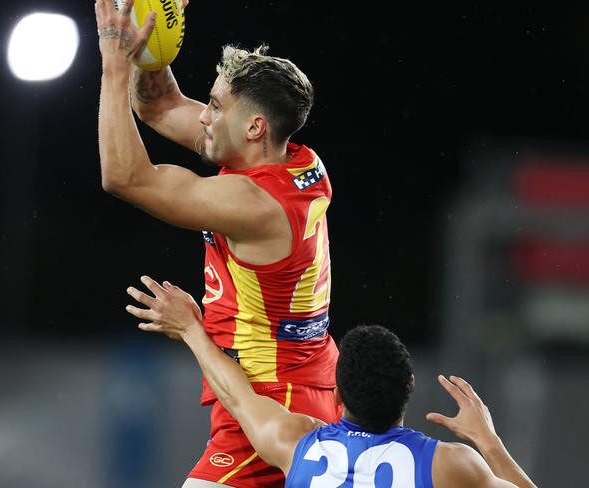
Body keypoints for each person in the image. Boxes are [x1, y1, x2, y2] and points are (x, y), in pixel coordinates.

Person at [95, 1, 339, 486]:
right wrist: (152, 45)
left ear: (254, 128)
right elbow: (159, 106)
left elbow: (124, 177)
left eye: (214, 106)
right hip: (288, 384)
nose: (202, 116)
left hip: (270, 396)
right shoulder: (288, 159)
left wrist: (114, 67)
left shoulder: (255, 203)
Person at [126, 276, 538, 488]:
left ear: (337, 394)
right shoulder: (450, 464)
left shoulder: (295, 441)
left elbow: (236, 393)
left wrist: (192, 331)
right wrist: (487, 441)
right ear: (409, 387)